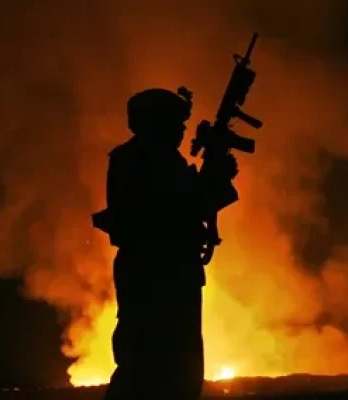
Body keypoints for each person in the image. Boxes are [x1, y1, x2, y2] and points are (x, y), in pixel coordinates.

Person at [94, 88, 239, 399]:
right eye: (175, 122)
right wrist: (216, 180)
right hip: (158, 272)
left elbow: (186, 205)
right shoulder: (141, 161)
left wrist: (215, 177)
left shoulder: (151, 160)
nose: (181, 130)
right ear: (155, 123)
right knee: (154, 367)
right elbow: (177, 209)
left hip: (166, 270)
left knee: (172, 367)